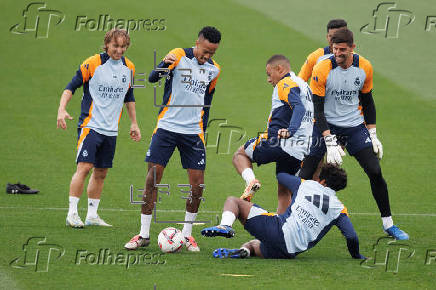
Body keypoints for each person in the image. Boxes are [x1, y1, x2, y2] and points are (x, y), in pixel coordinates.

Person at [299, 28, 409, 240]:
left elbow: (367, 101)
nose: (338, 54)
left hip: (354, 127)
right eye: (335, 49)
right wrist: (329, 140)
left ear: (352, 48)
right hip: (326, 124)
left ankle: (389, 224)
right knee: (306, 174)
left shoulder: (365, 67)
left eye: (342, 50)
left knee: (374, 170)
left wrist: (373, 132)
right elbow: (318, 108)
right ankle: (291, 218)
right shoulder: (322, 68)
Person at [124, 26, 221, 251]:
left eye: (212, 54)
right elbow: (151, 79)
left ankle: (187, 235)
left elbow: (208, 102)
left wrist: (202, 131)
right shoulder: (178, 55)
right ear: (197, 42)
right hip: (166, 128)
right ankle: (144, 234)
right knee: (152, 179)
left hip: (193, 134)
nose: (207, 57)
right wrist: (163, 65)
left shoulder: (214, 70)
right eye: (205, 51)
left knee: (198, 187)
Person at [57, 29, 141, 228]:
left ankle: (92, 215)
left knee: (101, 172)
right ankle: (72, 213)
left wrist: (134, 122)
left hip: (111, 130)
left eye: (123, 47)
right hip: (91, 125)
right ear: (107, 45)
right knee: (84, 167)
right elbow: (71, 87)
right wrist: (62, 109)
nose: (119, 50)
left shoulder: (129, 67)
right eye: (115, 46)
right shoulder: (93, 63)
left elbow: (129, 97)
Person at [201, 164, 365, 260]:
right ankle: (244, 251)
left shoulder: (305, 185)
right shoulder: (339, 208)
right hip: (291, 251)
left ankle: (225, 226)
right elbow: (351, 236)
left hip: (279, 231)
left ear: (321, 180)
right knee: (253, 244)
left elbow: (281, 176)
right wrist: (356, 255)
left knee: (234, 201)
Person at [232, 55, 313, 214]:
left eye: (269, 74)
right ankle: (283, 232)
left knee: (240, 155)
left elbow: (299, 108)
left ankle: (251, 182)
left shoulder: (285, 83)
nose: (269, 80)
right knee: (284, 191)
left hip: (279, 142)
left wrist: (290, 130)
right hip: (300, 150)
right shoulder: (304, 85)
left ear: (279, 69)